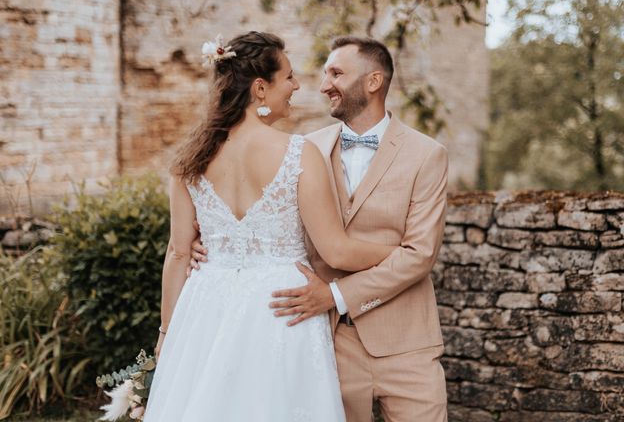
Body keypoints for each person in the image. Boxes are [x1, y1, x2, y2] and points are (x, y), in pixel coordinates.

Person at [143, 31, 398, 422]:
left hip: (204, 308)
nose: (297, 87)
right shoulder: (299, 153)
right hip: (280, 310)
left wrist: (166, 334)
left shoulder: (189, 161)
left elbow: (178, 253)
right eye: (289, 78)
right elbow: (337, 251)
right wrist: (402, 250)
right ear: (260, 88)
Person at [191, 36, 449, 421]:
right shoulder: (299, 150)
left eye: (336, 73)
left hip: (405, 344)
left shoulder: (427, 155)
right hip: (325, 342)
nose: (324, 84)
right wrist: (205, 240)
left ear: (374, 81)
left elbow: (420, 256)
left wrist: (336, 295)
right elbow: (254, 215)